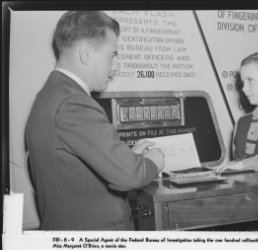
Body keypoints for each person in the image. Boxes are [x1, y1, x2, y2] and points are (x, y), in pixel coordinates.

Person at [25, 11, 165, 230]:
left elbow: (75, 171)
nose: (116, 66)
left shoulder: (51, 95)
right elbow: (130, 176)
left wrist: (128, 157)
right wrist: (154, 162)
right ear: (86, 54)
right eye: (112, 55)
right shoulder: (72, 104)